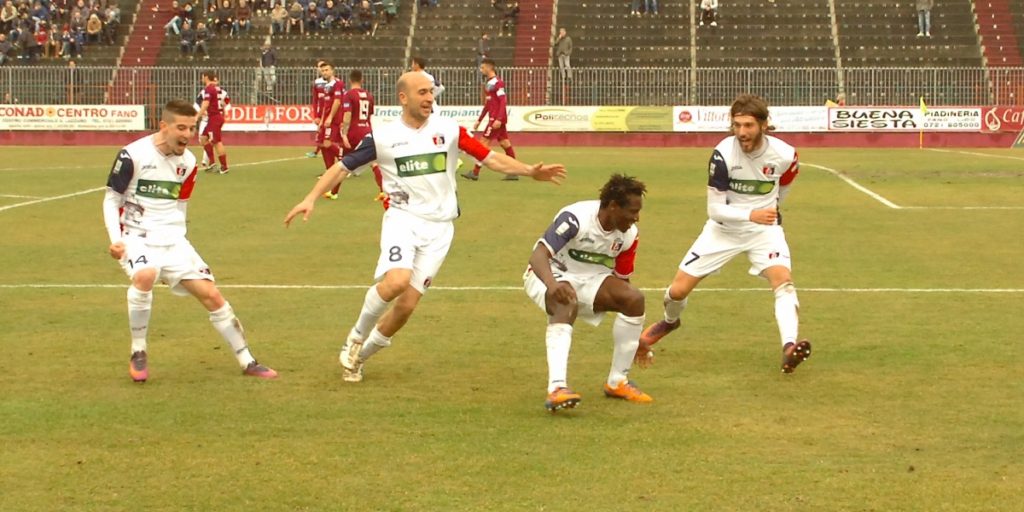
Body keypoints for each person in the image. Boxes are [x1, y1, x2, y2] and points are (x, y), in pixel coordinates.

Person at [283, 71, 566, 383]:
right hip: (403, 219)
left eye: (431, 92)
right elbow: (341, 168)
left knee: (406, 307)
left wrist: (529, 170)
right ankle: (355, 336)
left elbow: (490, 158)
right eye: (422, 92)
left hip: (440, 229)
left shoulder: (449, 130)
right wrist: (311, 198)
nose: (430, 98)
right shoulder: (382, 137)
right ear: (403, 98)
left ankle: (358, 358)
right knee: (396, 282)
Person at [102, 99, 278, 383]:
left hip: (173, 241)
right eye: (181, 128)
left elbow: (181, 203)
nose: (188, 135)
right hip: (137, 237)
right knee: (145, 275)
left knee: (212, 295)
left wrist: (179, 238)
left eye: (192, 128)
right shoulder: (132, 155)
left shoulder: (189, 162)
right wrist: (116, 240)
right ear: (164, 126)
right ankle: (138, 351)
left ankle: (248, 361)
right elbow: (111, 200)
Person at [636, 94, 812, 374]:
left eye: (748, 125)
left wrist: (770, 211)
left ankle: (789, 347)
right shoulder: (723, 154)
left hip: (763, 231)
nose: (741, 132)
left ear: (763, 124)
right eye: (737, 125)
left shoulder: (786, 154)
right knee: (677, 292)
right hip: (722, 230)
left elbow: (784, 186)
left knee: (784, 283)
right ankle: (670, 321)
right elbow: (714, 209)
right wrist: (751, 214)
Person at [525, 174, 652, 412]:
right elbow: (538, 256)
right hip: (548, 274)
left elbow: (622, 281)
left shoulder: (629, 235)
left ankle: (617, 382)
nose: (636, 218)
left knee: (634, 299)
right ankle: (557, 388)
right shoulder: (575, 218)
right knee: (566, 300)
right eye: (632, 211)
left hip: (592, 279)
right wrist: (552, 285)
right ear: (613, 206)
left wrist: (633, 337)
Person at [327, 68, 384, 204]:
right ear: (362, 80)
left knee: (343, 163)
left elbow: (347, 115)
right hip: (367, 130)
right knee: (373, 162)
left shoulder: (349, 95)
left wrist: (344, 134)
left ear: (350, 80)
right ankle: (383, 191)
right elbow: (370, 115)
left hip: (354, 132)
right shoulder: (369, 95)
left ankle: (334, 192)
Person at [462, 58, 519, 182]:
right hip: (495, 119)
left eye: (482, 67)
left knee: (482, 144)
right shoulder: (489, 84)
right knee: (505, 144)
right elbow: (488, 104)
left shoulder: (498, 83)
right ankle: (514, 172)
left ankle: (475, 172)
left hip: (496, 120)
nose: (481, 70)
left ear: (489, 67)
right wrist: (479, 120)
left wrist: (499, 119)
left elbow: (503, 101)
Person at [195, 70, 230, 173]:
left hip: (215, 118)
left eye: (202, 77)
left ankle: (224, 167)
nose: (201, 79)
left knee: (217, 142)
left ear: (206, 77)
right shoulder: (215, 89)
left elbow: (205, 104)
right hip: (213, 118)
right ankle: (212, 162)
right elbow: (226, 102)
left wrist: (197, 116)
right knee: (203, 138)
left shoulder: (209, 89)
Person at [317, 61, 345, 175]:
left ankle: (346, 162)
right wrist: (322, 120)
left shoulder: (337, 83)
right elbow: (325, 105)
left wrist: (330, 117)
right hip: (327, 119)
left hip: (334, 119)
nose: (324, 72)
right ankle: (329, 171)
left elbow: (337, 102)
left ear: (332, 71)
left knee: (328, 143)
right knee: (322, 144)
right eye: (323, 71)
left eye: (327, 70)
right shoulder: (326, 86)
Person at [306, 59, 327, 158]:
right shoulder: (317, 82)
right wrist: (315, 116)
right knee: (321, 132)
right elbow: (315, 100)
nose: (321, 68)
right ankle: (316, 151)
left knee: (325, 133)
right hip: (321, 112)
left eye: (323, 66)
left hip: (331, 111)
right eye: (319, 66)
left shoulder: (335, 81)